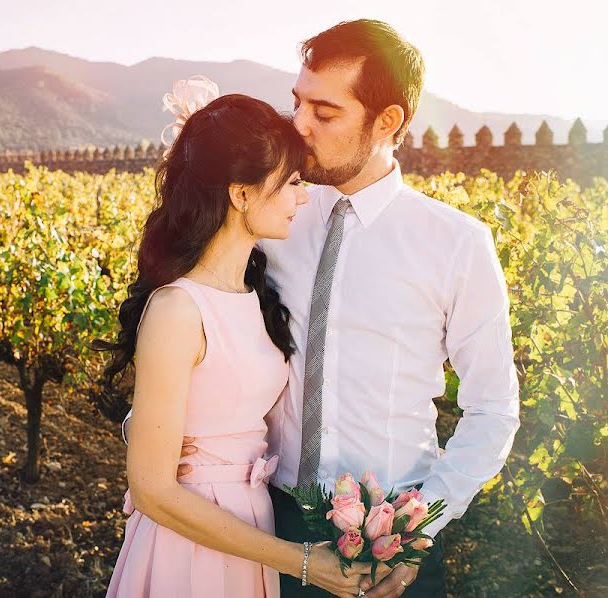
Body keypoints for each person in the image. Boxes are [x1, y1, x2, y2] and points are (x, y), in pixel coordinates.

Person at [123, 19, 521, 598]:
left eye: (325, 112)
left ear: (389, 122)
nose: (298, 126)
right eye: (297, 103)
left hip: (395, 548)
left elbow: (492, 409)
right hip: (264, 527)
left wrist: (418, 529)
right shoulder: (272, 214)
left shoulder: (457, 245)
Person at [97, 84, 369, 598]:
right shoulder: (179, 309)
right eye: (290, 182)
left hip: (249, 527)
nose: (303, 196)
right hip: (191, 540)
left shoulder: (254, 293)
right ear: (240, 194)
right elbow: (152, 488)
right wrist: (303, 561)